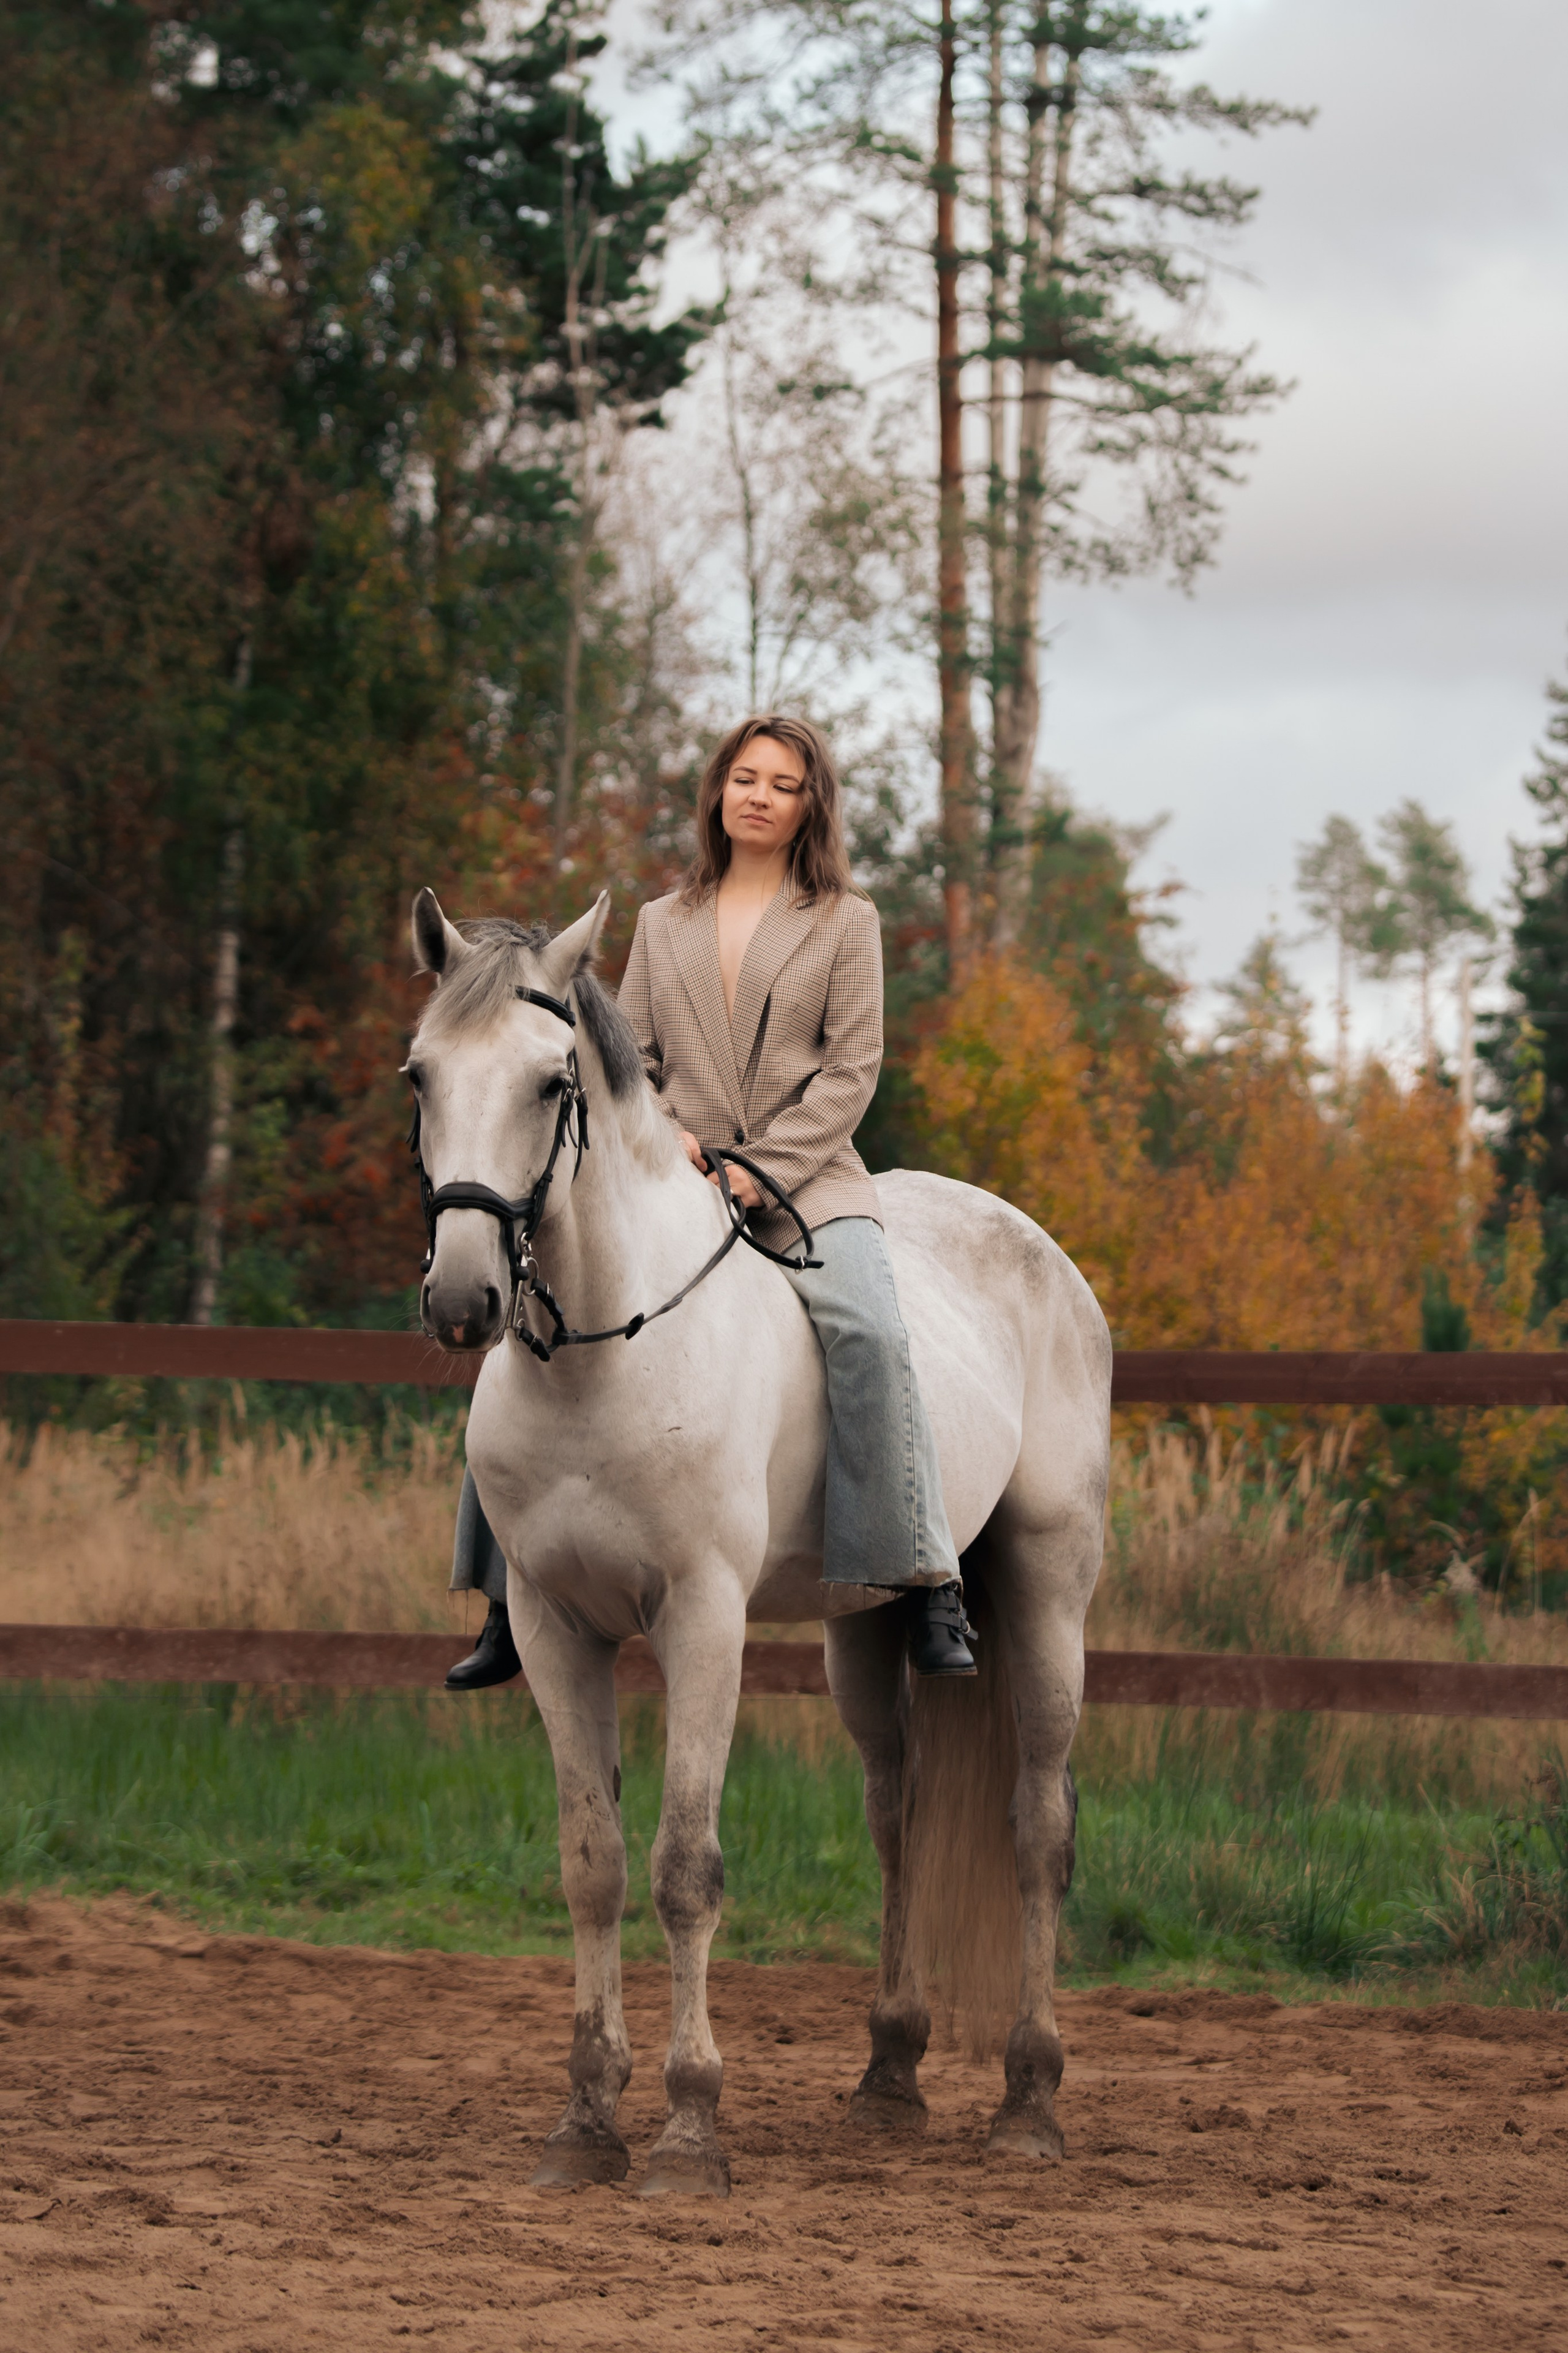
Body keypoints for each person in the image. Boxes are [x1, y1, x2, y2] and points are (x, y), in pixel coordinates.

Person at [444, 714, 975, 1686]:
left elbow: (852, 1071)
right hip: (674, 1177)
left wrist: (760, 1166)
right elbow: (629, 1061)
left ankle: (924, 1569)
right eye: (746, 777)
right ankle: (505, 1591)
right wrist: (670, 1132)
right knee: (526, 1327)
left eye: (784, 783)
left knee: (871, 1331)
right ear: (720, 792)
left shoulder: (846, 921)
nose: (760, 795)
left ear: (811, 806)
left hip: (809, 1180)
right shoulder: (662, 921)